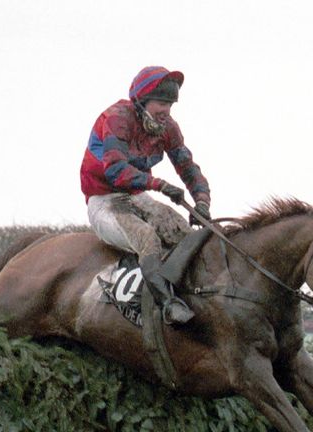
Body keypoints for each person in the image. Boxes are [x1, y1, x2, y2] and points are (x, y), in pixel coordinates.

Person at [80, 66, 211, 325]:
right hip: (104, 200)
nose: (166, 111)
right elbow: (116, 170)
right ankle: (167, 305)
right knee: (147, 238)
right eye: (161, 103)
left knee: (184, 233)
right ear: (141, 101)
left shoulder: (167, 127)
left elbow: (187, 166)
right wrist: (159, 184)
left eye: (170, 104)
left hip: (138, 196)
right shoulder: (117, 118)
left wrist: (202, 202)